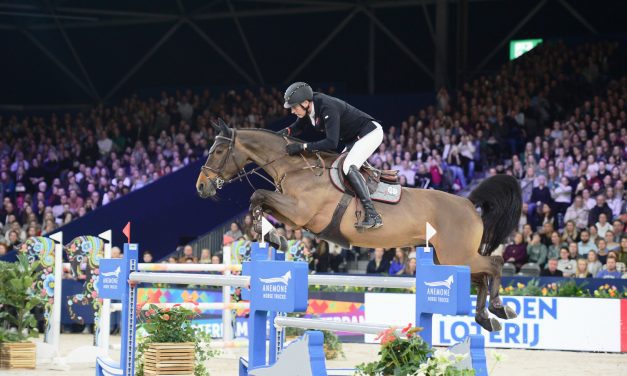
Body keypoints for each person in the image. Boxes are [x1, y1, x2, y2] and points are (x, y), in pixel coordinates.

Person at [280, 82, 384, 230]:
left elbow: (331, 143)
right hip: (353, 139)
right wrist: (281, 134)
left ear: (305, 103)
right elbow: (297, 127)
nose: (292, 111)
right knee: (336, 170)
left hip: (370, 133)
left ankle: (373, 214)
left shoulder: (327, 107)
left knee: (348, 166)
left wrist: (303, 147)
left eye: (294, 107)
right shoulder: (309, 106)